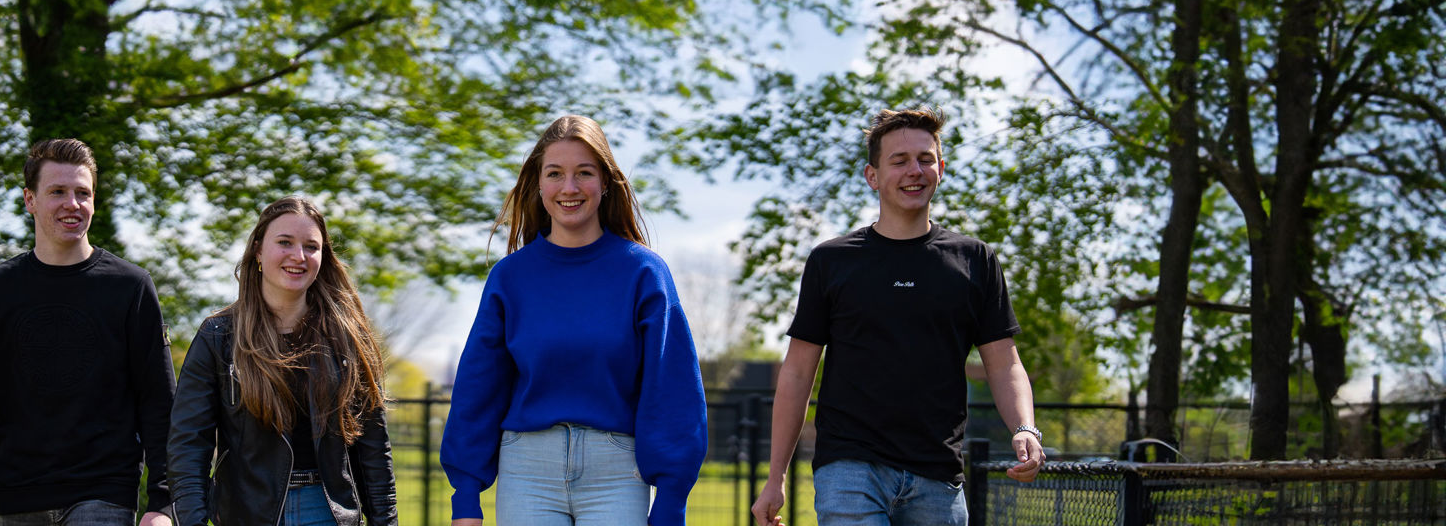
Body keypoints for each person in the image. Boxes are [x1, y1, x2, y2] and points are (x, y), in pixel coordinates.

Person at [750, 108, 1043, 526]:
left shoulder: (974, 259)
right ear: (872, 176)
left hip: (938, 477)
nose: (915, 171)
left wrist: (1025, 428)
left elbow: (1004, 363)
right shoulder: (831, 261)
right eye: (899, 161)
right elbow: (797, 373)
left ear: (941, 169)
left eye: (925, 159)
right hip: (849, 469)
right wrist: (775, 476)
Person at [442, 115, 708, 526]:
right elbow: (479, 384)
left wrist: (672, 498)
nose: (569, 188)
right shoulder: (510, 277)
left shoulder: (644, 273)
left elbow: (673, 387)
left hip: (617, 473)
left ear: (605, 182)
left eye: (584, 173)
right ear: (538, 184)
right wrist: (466, 495)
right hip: (526, 470)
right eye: (555, 174)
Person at [0, 138, 176, 526]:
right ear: (30, 200)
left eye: (83, 193)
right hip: (17, 499)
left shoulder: (130, 286)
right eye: (57, 192)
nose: (72, 204)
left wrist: (163, 502)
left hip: (103, 495)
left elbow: (159, 400)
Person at [167, 196, 397, 526]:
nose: (298, 256)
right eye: (284, 242)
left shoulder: (347, 337)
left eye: (311, 246)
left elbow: (373, 448)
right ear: (258, 250)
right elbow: (189, 443)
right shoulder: (219, 336)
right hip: (247, 513)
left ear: (323, 257)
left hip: (328, 513)